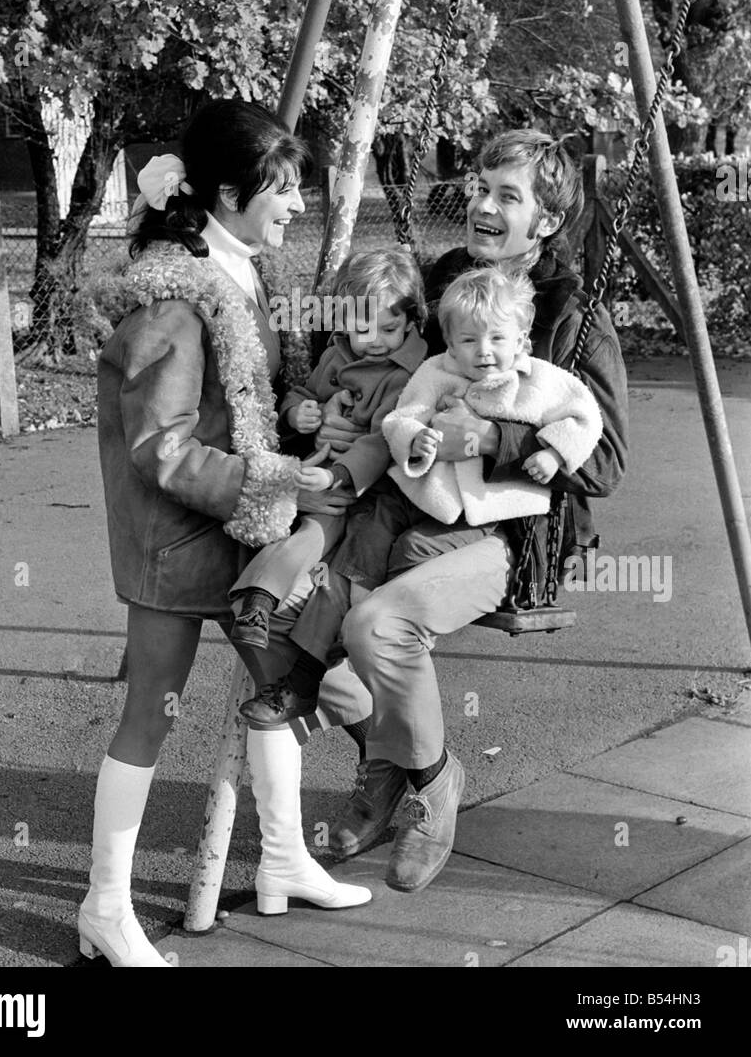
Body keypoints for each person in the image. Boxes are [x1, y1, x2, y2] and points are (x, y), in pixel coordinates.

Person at [81, 100, 372, 967]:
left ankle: (281, 857)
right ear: (225, 192)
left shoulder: (243, 270)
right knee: (150, 711)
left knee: (280, 681)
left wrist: (299, 413)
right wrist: (279, 478)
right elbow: (161, 448)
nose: (295, 208)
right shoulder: (173, 298)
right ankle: (104, 905)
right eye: (281, 192)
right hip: (174, 540)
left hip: (238, 526)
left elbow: (244, 399)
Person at [328, 128, 629, 895]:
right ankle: (391, 765)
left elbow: (605, 461)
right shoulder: (445, 283)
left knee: (374, 624)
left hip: (512, 532)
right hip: (416, 505)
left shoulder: (574, 314)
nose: (481, 206)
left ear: (547, 223)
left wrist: (495, 437)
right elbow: (391, 372)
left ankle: (430, 784)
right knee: (300, 630)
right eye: (476, 188)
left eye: (506, 196)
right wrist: (330, 412)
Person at [232, 248, 427, 722]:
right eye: (362, 328)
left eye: (388, 329)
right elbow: (310, 393)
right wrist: (297, 411)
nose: (374, 341)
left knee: (320, 544)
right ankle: (263, 611)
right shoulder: (339, 354)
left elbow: (384, 439)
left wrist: (339, 474)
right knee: (284, 526)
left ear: (411, 323)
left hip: (361, 490)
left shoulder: (409, 375)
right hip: (317, 472)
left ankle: (261, 601)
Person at [337, 266, 603, 590]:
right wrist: (414, 438)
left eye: (497, 338)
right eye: (468, 339)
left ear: (520, 340)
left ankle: (390, 610)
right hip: (422, 491)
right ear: (449, 343)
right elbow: (400, 419)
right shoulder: (434, 371)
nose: (483, 350)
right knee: (370, 526)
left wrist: (555, 454)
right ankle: (357, 599)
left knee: (414, 548)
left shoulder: (537, 380)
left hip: (487, 507)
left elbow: (585, 416)